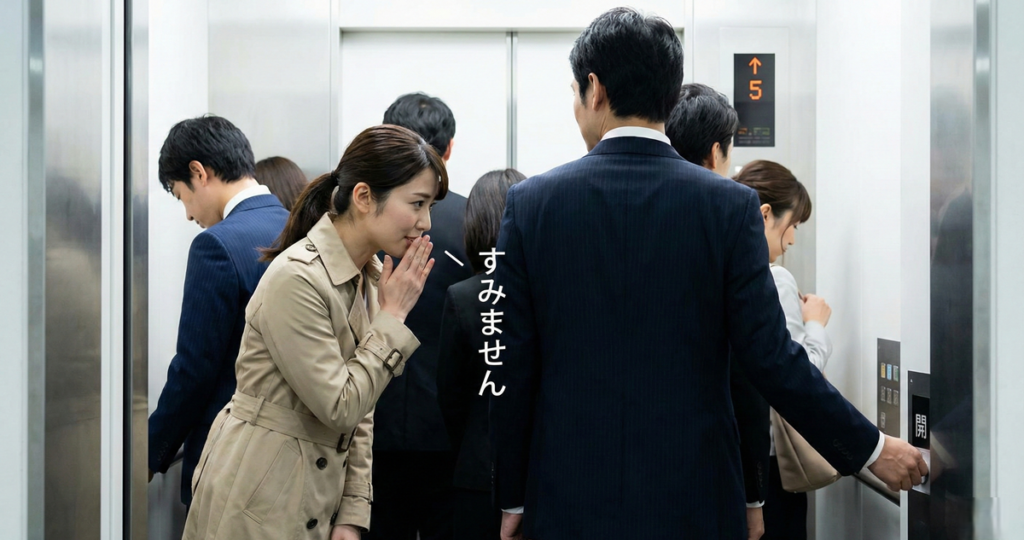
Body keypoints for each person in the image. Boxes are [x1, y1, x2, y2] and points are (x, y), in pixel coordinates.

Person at [489, 8, 927, 540]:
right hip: (695, 499)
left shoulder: (531, 205)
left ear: (594, 89)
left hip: (568, 498)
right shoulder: (729, 208)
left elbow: (512, 364)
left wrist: (513, 496)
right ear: (670, 94)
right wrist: (872, 449)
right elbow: (771, 361)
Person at [183, 124, 446, 540]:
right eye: (417, 203)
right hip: (257, 500)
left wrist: (352, 512)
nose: (425, 222)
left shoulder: (369, 275)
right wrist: (393, 317)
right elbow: (341, 405)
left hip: (314, 499)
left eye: (428, 205)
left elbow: (362, 411)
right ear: (363, 197)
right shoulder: (298, 277)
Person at [148, 115, 289, 507]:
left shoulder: (217, 245)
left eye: (182, 196)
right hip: (290, 463)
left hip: (230, 464)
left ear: (199, 172)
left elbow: (195, 370)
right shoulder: (299, 227)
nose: (188, 214)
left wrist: (151, 453)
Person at [367, 93, 473, 540]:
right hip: (450, 429)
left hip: (369, 420)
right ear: (449, 149)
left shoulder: (364, 222)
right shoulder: (473, 219)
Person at [666, 82, 767, 540]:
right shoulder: (732, 216)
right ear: (715, 152)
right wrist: (754, 497)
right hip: (705, 478)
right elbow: (752, 374)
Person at [732, 160, 832, 540]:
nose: (791, 241)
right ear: (766, 215)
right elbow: (794, 375)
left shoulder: (719, 270)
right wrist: (816, 325)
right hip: (769, 463)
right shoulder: (774, 278)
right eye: (793, 225)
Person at [436, 169, 527, 540]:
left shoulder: (463, 297)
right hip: (536, 471)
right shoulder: (547, 290)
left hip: (476, 468)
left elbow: (450, 395)